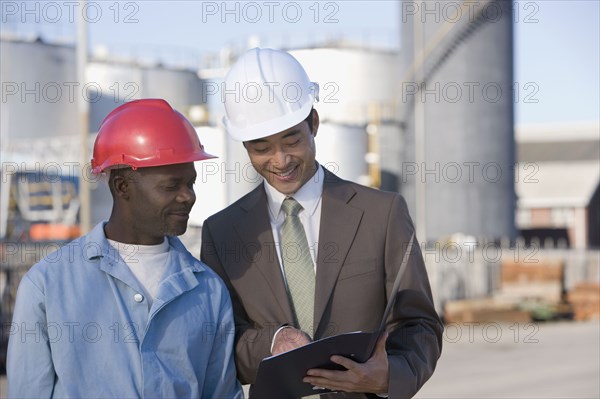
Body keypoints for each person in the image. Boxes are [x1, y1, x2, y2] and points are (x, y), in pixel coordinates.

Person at [201, 48, 443, 398]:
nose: (280, 160)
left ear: (313, 123)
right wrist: (271, 341)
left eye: (291, 140)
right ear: (244, 144)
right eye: (261, 147)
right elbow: (220, 340)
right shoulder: (221, 232)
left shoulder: (382, 214)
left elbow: (420, 324)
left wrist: (389, 375)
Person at [7, 99, 243, 398]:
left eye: (191, 184)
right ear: (122, 186)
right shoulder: (48, 286)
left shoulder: (208, 291)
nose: (187, 197)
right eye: (171, 186)